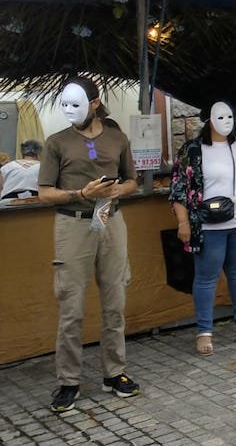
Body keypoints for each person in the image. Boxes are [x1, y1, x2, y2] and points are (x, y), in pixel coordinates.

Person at [38, 77, 141, 412]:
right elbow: (44, 191)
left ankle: (115, 373)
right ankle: (68, 381)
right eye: (64, 104)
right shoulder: (56, 142)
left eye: (76, 103)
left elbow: (132, 180)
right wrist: (81, 194)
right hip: (73, 225)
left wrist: (117, 190)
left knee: (115, 301)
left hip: (111, 221)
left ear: (94, 103)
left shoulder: (116, 137)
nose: (69, 110)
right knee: (72, 307)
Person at [169, 101, 236, 356]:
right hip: (209, 225)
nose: (226, 121)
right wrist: (183, 222)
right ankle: (204, 330)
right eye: (220, 116)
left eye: (230, 116)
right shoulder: (192, 150)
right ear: (209, 119)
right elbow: (178, 188)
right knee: (206, 277)